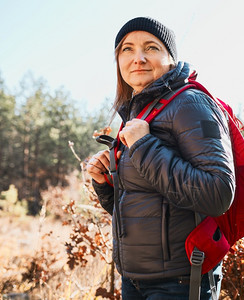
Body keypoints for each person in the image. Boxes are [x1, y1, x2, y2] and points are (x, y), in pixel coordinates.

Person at [86, 16, 235, 299]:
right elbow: (144, 209)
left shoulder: (191, 104)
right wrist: (105, 184)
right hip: (135, 281)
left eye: (151, 48)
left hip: (181, 281)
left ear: (170, 58)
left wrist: (144, 147)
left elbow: (218, 193)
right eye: (127, 49)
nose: (138, 58)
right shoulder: (138, 113)